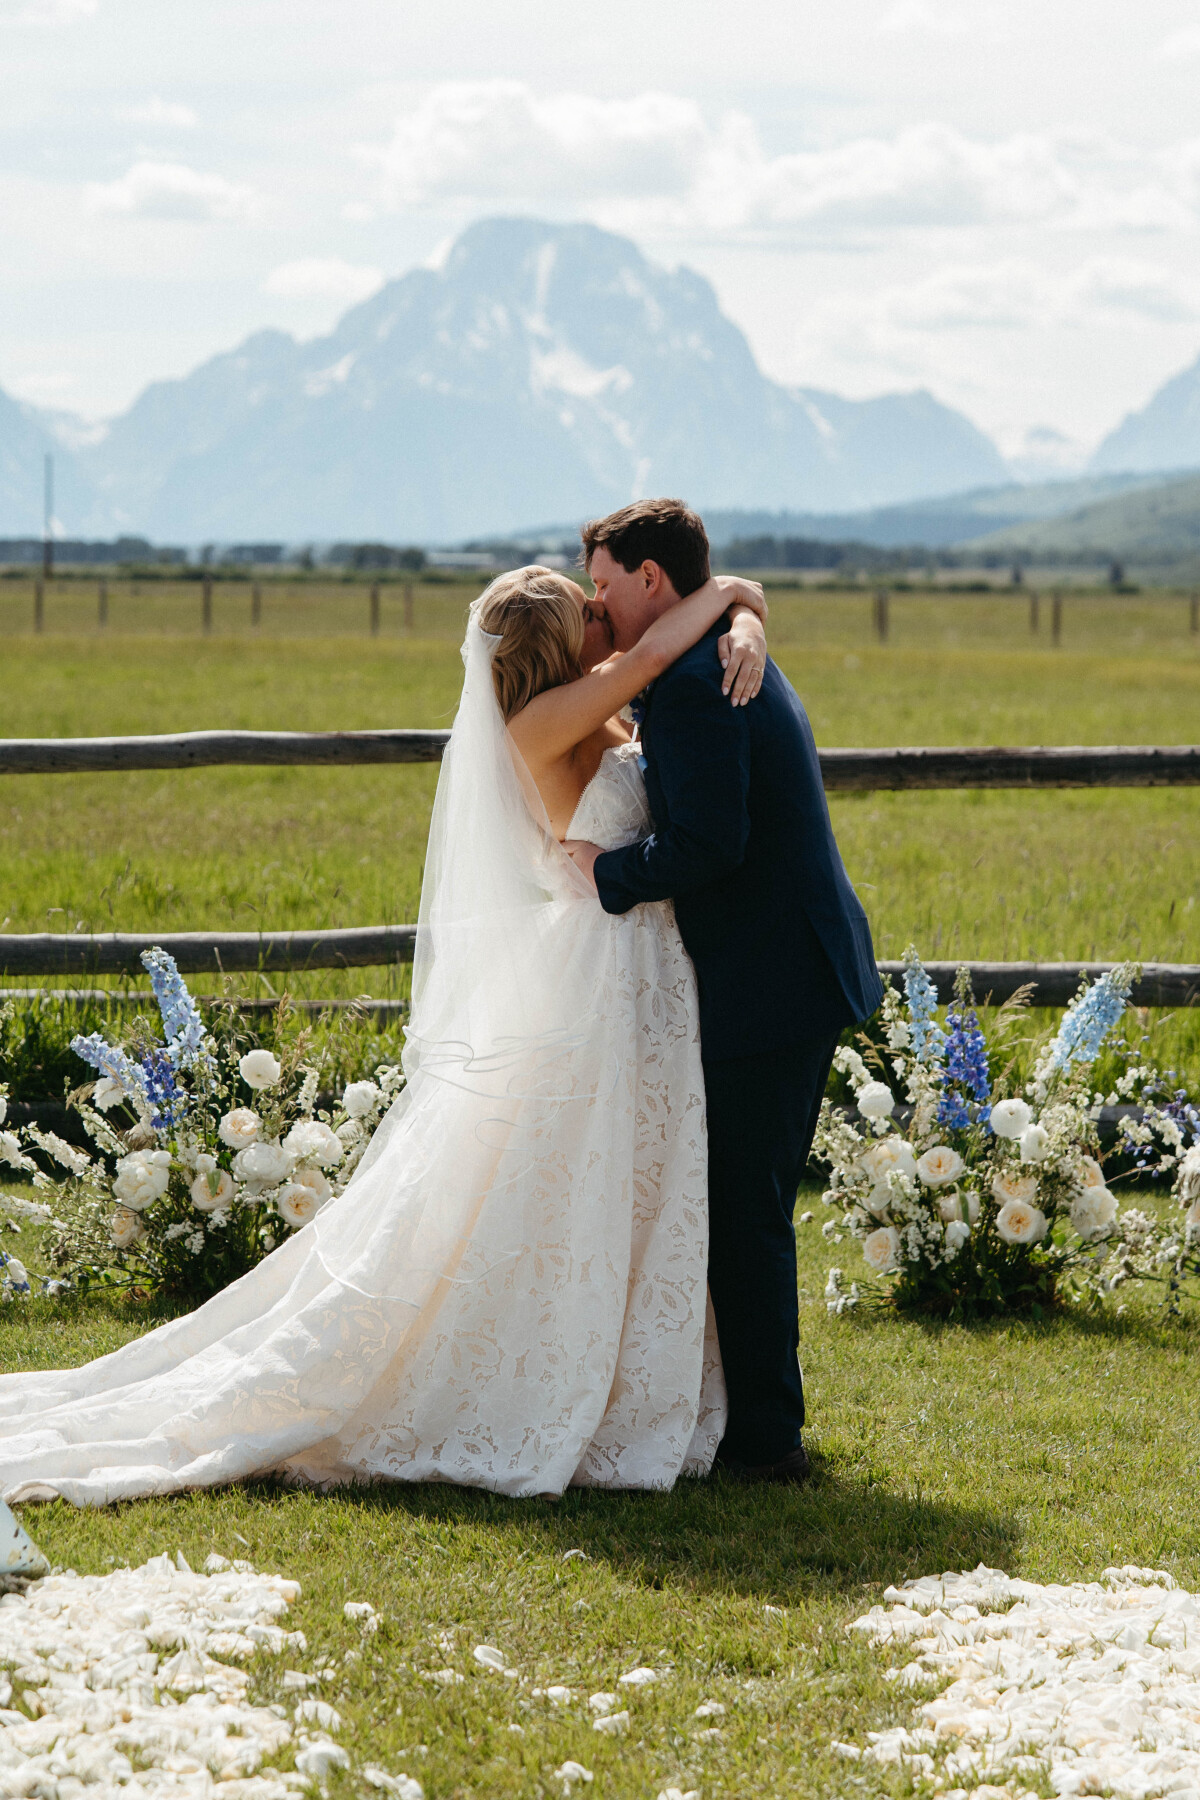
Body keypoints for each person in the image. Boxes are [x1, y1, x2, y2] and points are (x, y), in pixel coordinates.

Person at [0, 565, 769, 1506]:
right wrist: (733, 592)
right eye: (586, 608)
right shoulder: (542, 723)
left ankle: (626, 1367)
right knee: (577, 1172)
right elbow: (648, 654)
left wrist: (744, 621)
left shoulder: (576, 709)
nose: (600, 611)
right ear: (559, 642)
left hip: (636, 962)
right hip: (603, 966)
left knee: (621, 1172)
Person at [567, 498, 883, 1483]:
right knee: (750, 1202)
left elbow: (709, 843)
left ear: (651, 578)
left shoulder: (699, 683)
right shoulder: (715, 652)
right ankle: (757, 1421)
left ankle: (767, 1442)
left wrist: (605, 875)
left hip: (772, 976)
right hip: (789, 963)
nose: (595, 601)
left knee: (747, 1210)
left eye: (604, 584)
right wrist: (744, 605)